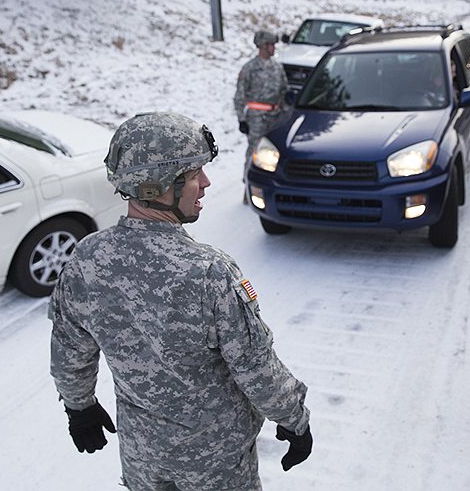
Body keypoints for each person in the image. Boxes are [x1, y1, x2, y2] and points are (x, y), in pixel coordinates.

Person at [49, 112, 312, 491]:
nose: (205, 184)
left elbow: (69, 350)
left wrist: (80, 407)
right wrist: (294, 418)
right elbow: (255, 366)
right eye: (193, 176)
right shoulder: (209, 272)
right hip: (215, 462)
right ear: (156, 188)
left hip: (143, 455)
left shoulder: (87, 260)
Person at [234, 30, 289, 183]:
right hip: (256, 118)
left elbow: (285, 91)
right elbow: (239, 96)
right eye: (271, 45)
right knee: (254, 152)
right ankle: (248, 185)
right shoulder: (249, 68)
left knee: (273, 153)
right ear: (262, 46)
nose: (274, 48)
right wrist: (242, 119)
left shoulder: (277, 67)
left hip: (275, 117)